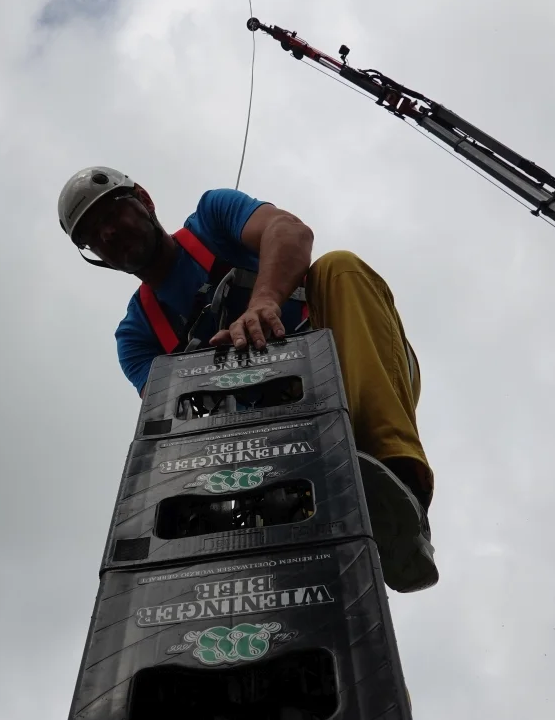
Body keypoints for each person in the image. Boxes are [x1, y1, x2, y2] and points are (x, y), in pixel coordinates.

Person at [58, 165, 438, 592]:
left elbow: (290, 232)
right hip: (277, 444)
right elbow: (171, 426)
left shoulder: (212, 218)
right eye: (92, 235)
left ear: (144, 200)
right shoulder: (137, 336)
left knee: (340, 267)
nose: (107, 234)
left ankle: (398, 491)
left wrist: (265, 301)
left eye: (110, 214)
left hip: (357, 377)